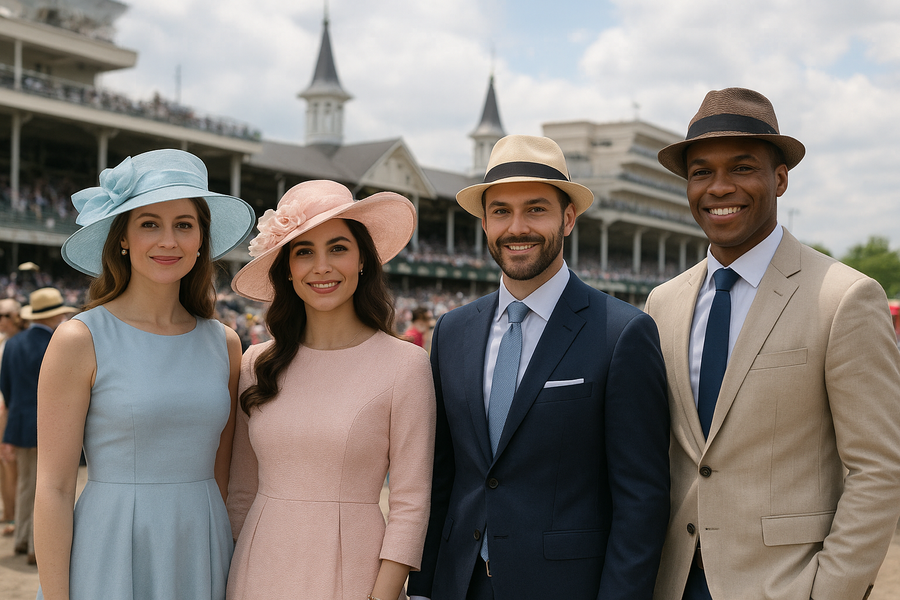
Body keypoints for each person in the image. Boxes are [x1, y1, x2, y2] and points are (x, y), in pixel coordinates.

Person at [646, 88, 900, 600]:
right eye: (701, 172)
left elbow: (879, 467)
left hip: (785, 586)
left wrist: (830, 591)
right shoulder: (662, 303)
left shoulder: (845, 297)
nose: (719, 188)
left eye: (742, 168)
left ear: (779, 178)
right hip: (671, 582)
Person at [407, 135, 670, 600]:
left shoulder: (622, 333)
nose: (517, 227)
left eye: (535, 209)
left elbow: (641, 502)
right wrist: (425, 588)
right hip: (459, 583)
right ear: (485, 222)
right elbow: (443, 479)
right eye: (501, 211)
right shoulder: (453, 332)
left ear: (568, 219)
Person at [32, 149, 255, 599]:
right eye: (149, 223)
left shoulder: (225, 343)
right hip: (109, 548)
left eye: (184, 224)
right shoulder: (80, 339)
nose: (168, 240)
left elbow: (223, 473)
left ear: (201, 239)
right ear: (123, 238)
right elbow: (54, 488)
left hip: (202, 548)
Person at [226, 180, 436, 600]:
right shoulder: (255, 364)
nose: (322, 266)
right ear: (287, 267)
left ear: (362, 260)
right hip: (256, 570)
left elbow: (411, 503)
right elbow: (241, 492)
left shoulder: (406, 366)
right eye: (304, 251)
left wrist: (383, 596)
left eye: (338, 248)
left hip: (354, 573)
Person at [1, 289, 77, 565]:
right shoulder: (58, 342)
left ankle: (21, 538)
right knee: (44, 486)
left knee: (25, 483)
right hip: (49, 424)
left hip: (19, 421)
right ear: (56, 314)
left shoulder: (12, 343)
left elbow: (6, 388)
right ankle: (35, 545)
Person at [0, 297, 25, 538]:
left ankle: (14, 516)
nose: (2, 321)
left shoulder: (17, 342)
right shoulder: (4, 342)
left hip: (8, 410)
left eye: (6, 315)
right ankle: (9, 512)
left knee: (12, 465)